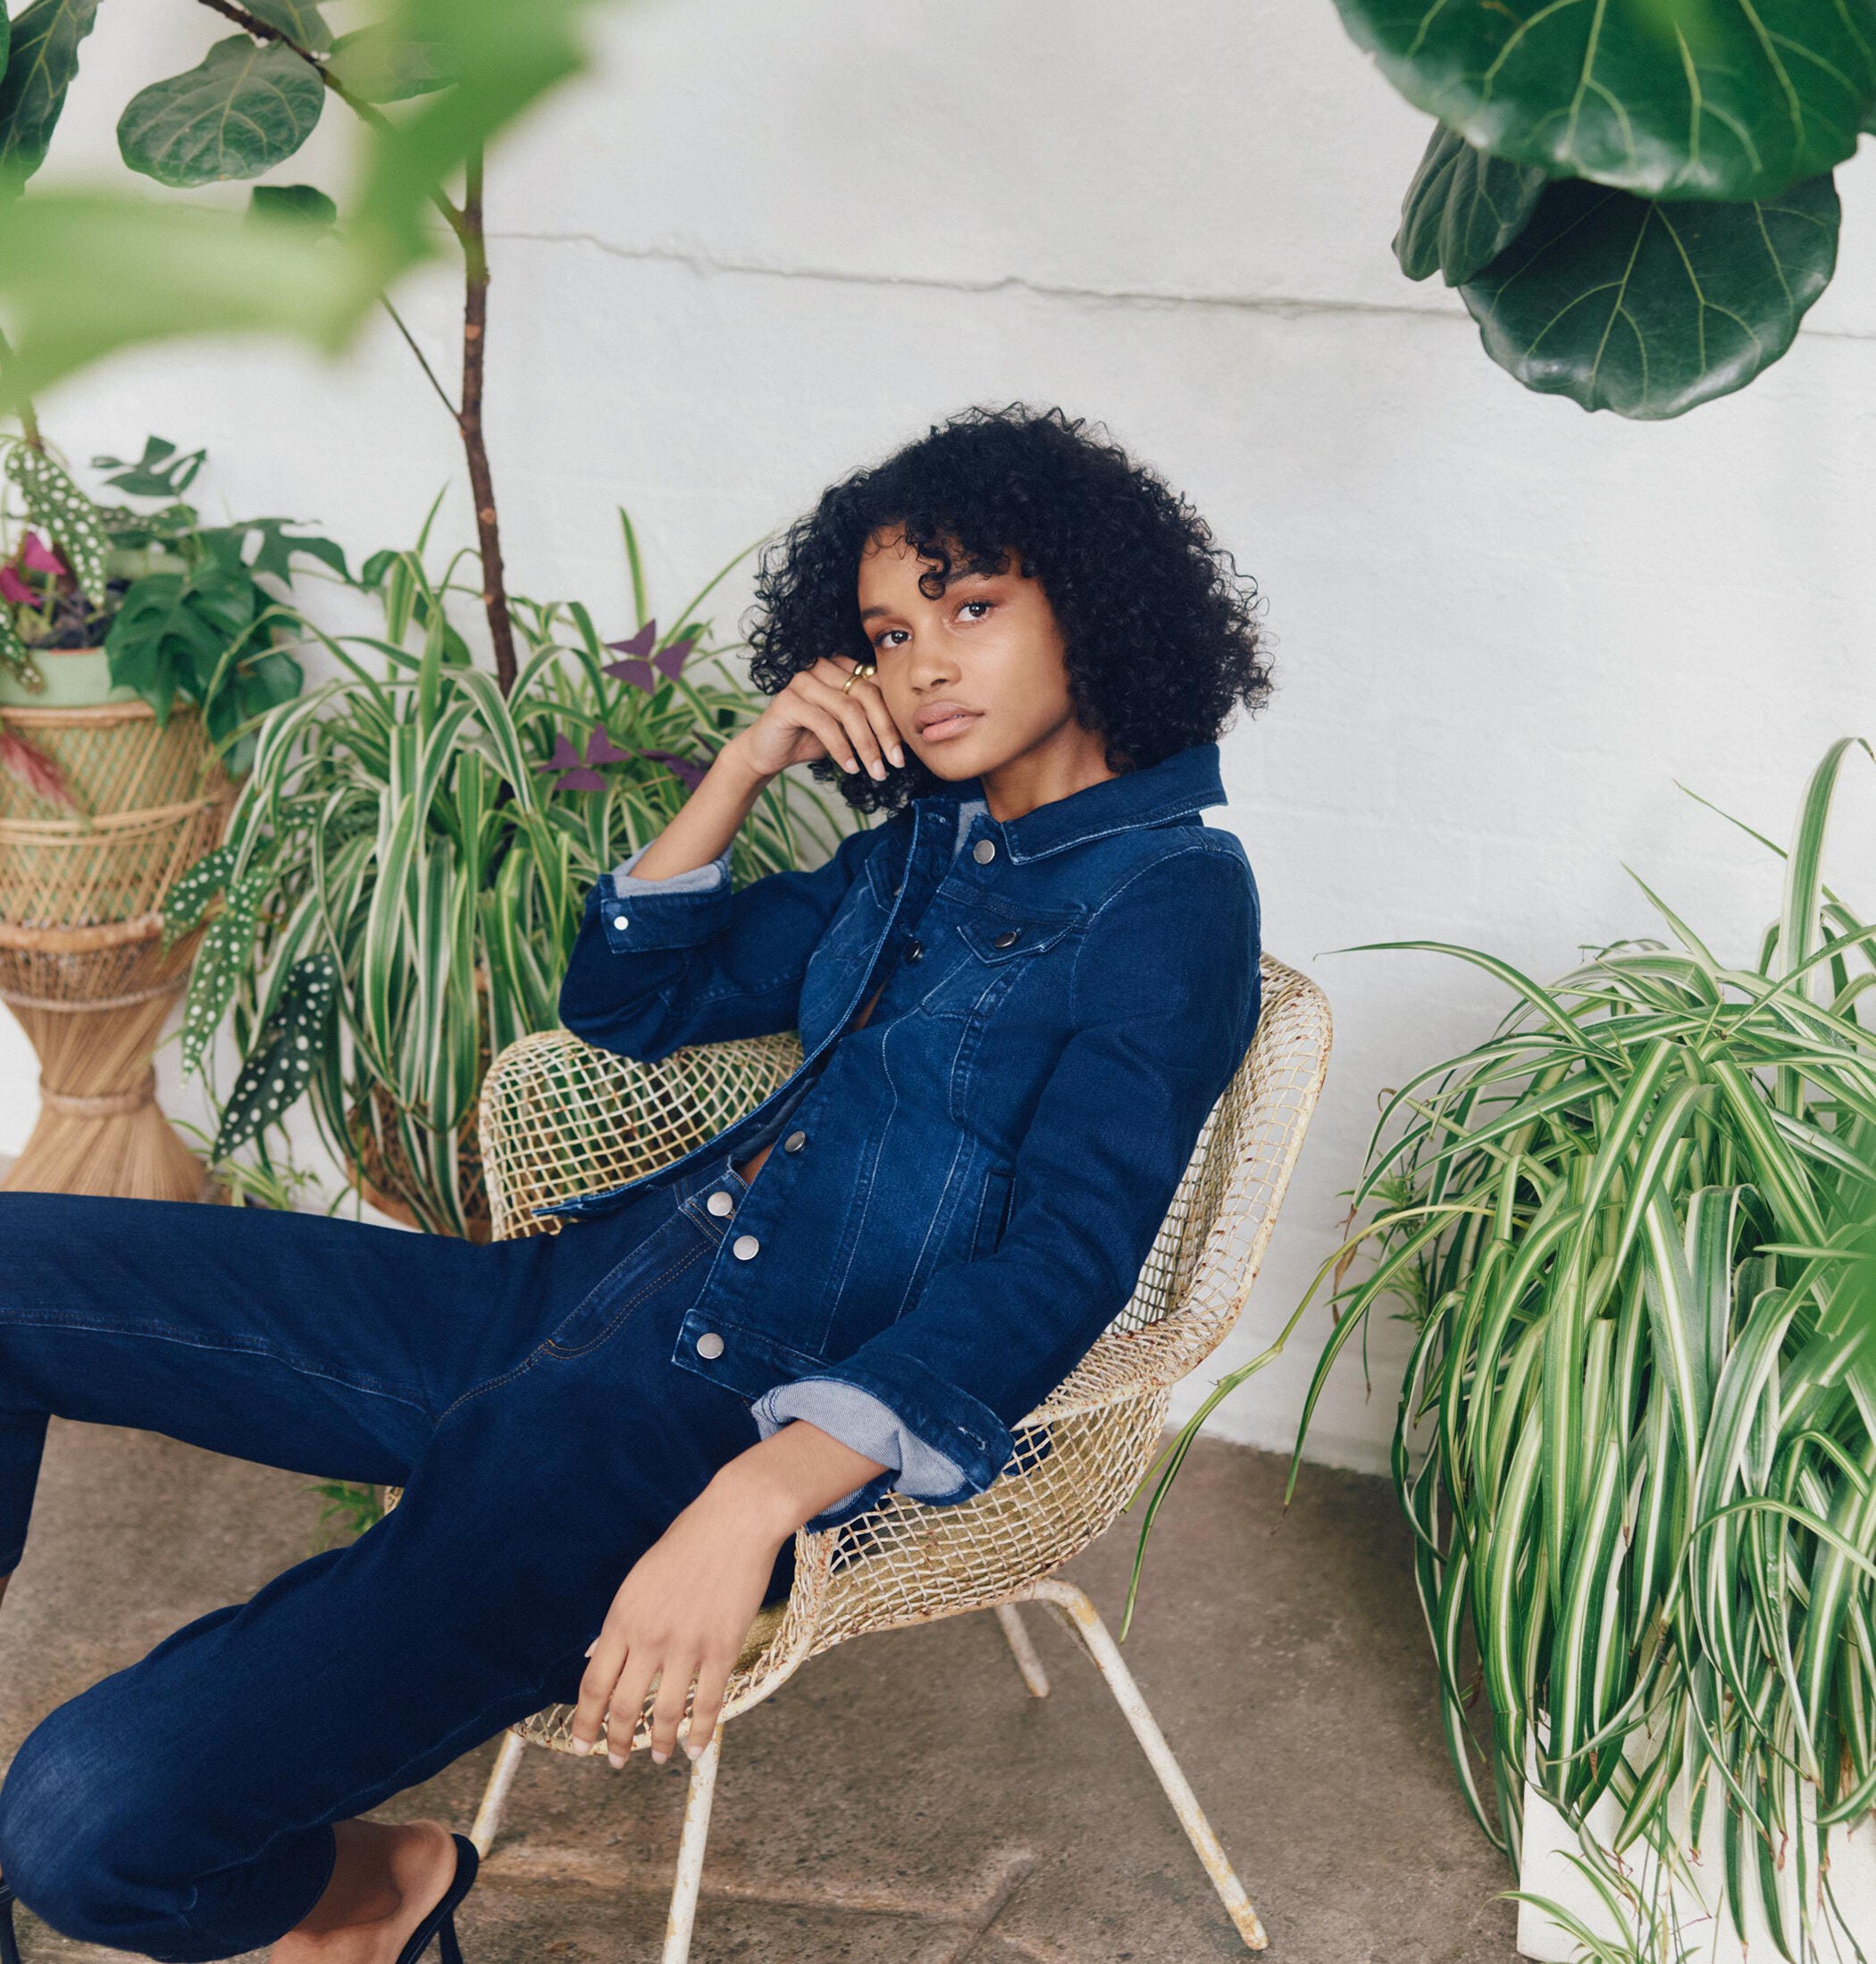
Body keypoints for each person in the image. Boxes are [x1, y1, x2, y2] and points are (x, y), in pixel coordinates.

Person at [0, 404, 1269, 1964]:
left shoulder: (1171, 904)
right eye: (886, 629)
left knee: (83, 1827)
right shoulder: (928, 850)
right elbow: (634, 1005)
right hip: (558, 1300)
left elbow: (1066, 1267)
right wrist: (744, 765)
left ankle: (367, 1901)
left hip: (677, 1432)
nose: (923, 660)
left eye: (971, 605)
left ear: (1095, 600)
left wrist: (753, 1495)